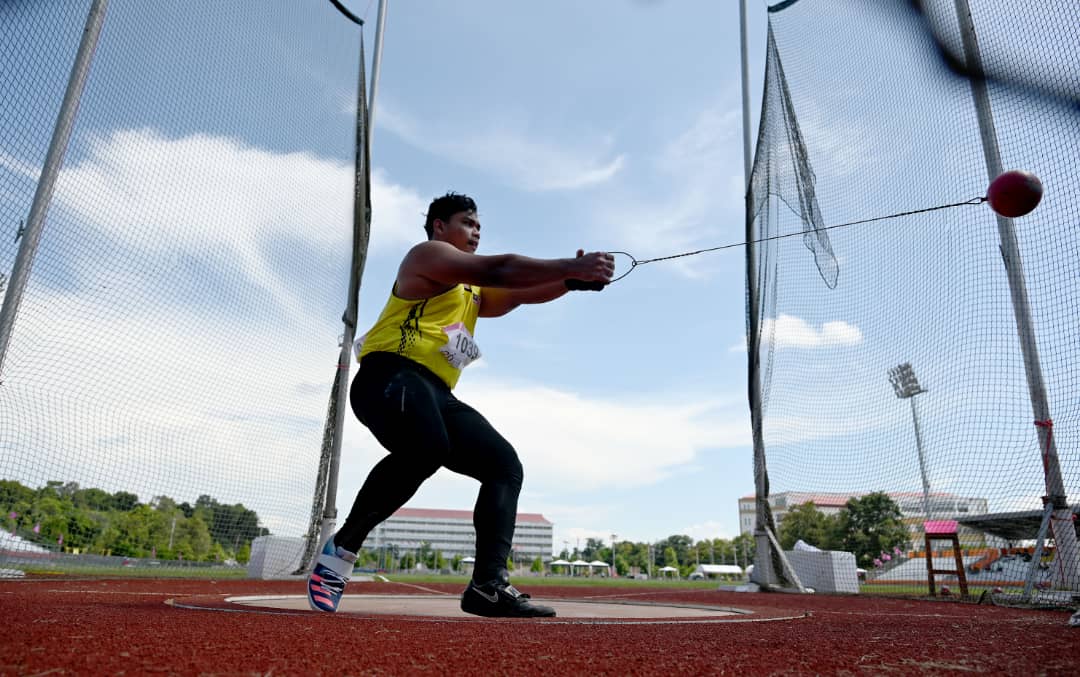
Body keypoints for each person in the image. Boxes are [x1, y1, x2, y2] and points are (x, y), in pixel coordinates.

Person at [307, 192, 614, 617]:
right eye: (468, 223)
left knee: (503, 465)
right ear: (439, 226)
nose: (477, 231)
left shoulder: (471, 290)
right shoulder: (428, 257)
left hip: (436, 393)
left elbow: (518, 293)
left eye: (478, 226)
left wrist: (570, 283)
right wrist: (571, 265)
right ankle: (342, 550)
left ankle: (488, 586)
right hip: (388, 377)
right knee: (427, 447)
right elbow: (500, 268)